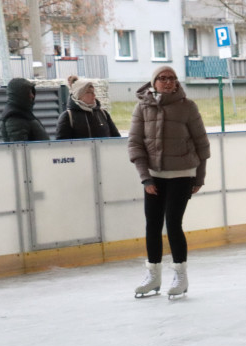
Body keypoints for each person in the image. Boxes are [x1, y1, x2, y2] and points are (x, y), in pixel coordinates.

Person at [127, 66, 210, 299]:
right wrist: (145, 177)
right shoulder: (142, 107)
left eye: (171, 78)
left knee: (173, 222)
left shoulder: (188, 107)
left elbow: (202, 145)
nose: (167, 82)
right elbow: (135, 144)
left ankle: (180, 275)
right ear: (154, 82)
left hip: (182, 174)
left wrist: (200, 176)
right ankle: (153, 274)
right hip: (154, 176)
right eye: (162, 79)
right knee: (152, 224)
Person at [55, 79, 121, 140]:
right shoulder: (68, 116)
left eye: (93, 92)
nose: (94, 95)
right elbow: (61, 145)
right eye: (89, 92)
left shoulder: (103, 114)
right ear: (79, 95)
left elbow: (116, 138)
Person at [0, 78, 49, 142]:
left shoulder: (21, 112)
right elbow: (20, 147)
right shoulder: (15, 117)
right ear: (21, 94)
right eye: (29, 92)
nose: (32, 96)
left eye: (32, 92)